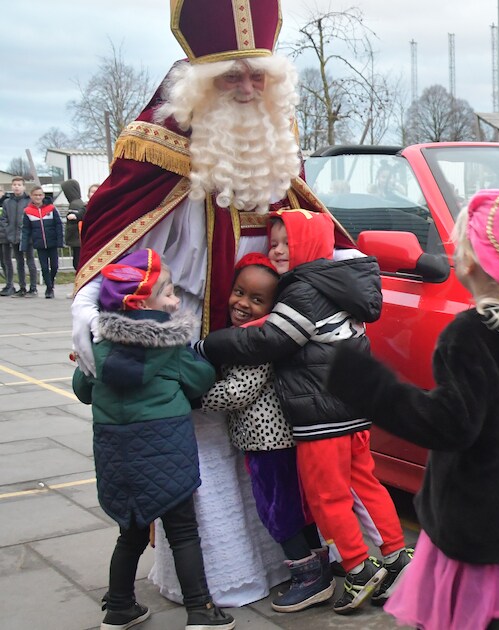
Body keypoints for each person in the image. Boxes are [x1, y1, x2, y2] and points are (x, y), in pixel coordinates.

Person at [71, 0, 358, 607]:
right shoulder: (156, 144)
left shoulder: (276, 137)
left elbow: (308, 228)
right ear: (200, 82)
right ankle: (222, 580)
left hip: (278, 339)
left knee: (281, 460)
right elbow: (115, 237)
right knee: (209, 464)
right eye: (232, 75)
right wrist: (93, 311)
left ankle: (308, 560)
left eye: (260, 74)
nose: (249, 88)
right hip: (195, 337)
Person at [324, 190, 499, 630]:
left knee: (471, 616)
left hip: (474, 523)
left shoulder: (468, 335)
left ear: (472, 262)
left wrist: (368, 384)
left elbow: (448, 424)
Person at [194, 209, 410, 614]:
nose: (274, 250)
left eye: (284, 243)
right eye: (272, 242)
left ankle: (358, 569)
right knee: (364, 484)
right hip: (354, 407)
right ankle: (397, 556)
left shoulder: (303, 289)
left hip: (321, 414)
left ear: (307, 247)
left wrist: (210, 345)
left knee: (327, 495)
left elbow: (271, 341)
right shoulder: (339, 284)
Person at [71, 248, 235, 630]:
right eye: (168, 293)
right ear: (141, 301)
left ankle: (119, 608)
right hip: (166, 448)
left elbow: (82, 387)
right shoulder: (170, 346)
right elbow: (201, 380)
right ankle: (201, 610)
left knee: (128, 533)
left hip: (116, 453)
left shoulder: (96, 345)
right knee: (182, 532)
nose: (176, 300)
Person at [198, 253, 334, 612]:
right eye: (239, 292)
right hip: (280, 439)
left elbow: (237, 392)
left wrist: (195, 397)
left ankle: (308, 576)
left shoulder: (255, 343)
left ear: (273, 308)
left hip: (267, 441)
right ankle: (318, 566)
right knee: (296, 507)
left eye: (256, 300)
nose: (242, 304)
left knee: (278, 508)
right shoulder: (256, 336)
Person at [21, 185, 64, 298]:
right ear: (31, 196)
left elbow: (58, 225)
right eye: (35, 195)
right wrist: (23, 245)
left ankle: (51, 282)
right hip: (39, 243)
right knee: (44, 267)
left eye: (40, 195)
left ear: (43, 196)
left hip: (52, 241)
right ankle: (49, 288)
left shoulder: (51, 208)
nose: (38, 197)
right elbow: (26, 229)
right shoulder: (28, 211)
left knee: (54, 266)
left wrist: (60, 240)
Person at [2, 176, 35, 296]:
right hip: (13, 236)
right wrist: (8, 230)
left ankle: (33, 287)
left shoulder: (29, 201)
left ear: (23, 187)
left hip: (27, 237)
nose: (16, 187)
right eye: (14, 184)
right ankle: (22, 287)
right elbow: (4, 219)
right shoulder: (7, 202)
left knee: (30, 261)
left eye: (19, 185)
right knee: (19, 262)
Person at [62, 179, 87, 272]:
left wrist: (68, 238)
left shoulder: (74, 205)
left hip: (76, 239)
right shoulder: (80, 203)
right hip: (78, 239)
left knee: (77, 262)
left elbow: (72, 224)